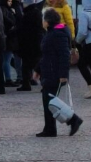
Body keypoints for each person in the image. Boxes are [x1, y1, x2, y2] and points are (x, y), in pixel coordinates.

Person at [34, 8, 83, 137]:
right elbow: (46, 54)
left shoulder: (58, 33)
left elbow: (63, 55)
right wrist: (38, 70)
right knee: (49, 100)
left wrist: (63, 75)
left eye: (43, 19)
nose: (42, 22)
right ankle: (50, 128)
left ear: (48, 21)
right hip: (48, 69)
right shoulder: (52, 32)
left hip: (54, 71)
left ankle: (73, 120)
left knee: (50, 100)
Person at [18, 0, 45, 92]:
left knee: (27, 65)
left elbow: (24, 29)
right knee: (37, 64)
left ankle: (26, 84)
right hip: (37, 42)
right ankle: (44, 84)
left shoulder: (28, 14)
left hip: (29, 43)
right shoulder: (37, 12)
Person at [2, 0, 25, 88]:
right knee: (8, 59)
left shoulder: (15, 6)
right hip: (9, 37)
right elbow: (11, 22)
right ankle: (9, 78)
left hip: (12, 36)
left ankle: (17, 76)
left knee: (9, 58)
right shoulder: (9, 9)